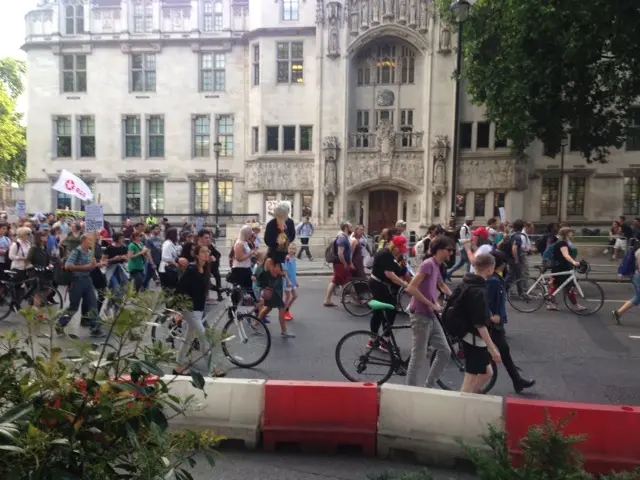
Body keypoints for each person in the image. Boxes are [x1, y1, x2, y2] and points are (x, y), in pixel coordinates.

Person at [405, 235, 455, 388]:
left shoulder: (437, 265)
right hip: (420, 314)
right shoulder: (428, 264)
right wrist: (431, 304)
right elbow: (411, 288)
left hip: (431, 315)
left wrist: (456, 299)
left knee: (445, 351)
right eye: (449, 250)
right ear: (439, 250)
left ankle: (429, 386)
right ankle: (410, 389)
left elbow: (441, 284)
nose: (451, 253)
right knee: (418, 355)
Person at [486, 251, 536, 393]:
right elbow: (483, 301)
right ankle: (517, 381)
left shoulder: (496, 278)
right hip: (492, 325)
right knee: (502, 351)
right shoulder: (492, 281)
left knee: (504, 352)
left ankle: (517, 381)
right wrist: (491, 316)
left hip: (497, 324)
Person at [173, 245, 224, 376]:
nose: (206, 254)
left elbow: (206, 285)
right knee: (204, 337)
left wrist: (219, 289)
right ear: (196, 255)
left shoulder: (205, 269)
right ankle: (212, 369)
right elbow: (180, 289)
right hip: (189, 308)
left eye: (207, 251)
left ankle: (178, 366)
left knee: (188, 338)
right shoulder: (191, 269)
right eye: (203, 251)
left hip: (198, 309)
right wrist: (178, 311)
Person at [457, 253, 502, 394]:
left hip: (466, 334)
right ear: (490, 269)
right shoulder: (479, 291)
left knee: (487, 373)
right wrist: (493, 349)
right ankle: (462, 405)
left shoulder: (467, 282)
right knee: (471, 378)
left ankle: (470, 399)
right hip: (474, 339)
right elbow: (480, 324)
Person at [57, 235, 105, 338]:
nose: (92, 242)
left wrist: (97, 265)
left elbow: (90, 267)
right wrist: (85, 267)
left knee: (93, 304)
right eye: (90, 240)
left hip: (87, 280)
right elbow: (68, 265)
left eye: (93, 240)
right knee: (74, 306)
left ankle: (95, 328)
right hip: (76, 281)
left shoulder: (90, 253)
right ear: (83, 241)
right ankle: (60, 324)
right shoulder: (77, 251)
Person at [367, 236, 410, 352]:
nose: (401, 251)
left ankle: (373, 340)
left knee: (378, 313)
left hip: (379, 284)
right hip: (378, 285)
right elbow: (390, 274)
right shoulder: (385, 254)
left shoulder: (390, 255)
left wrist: (403, 268)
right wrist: (405, 285)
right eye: (399, 248)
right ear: (394, 246)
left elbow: (397, 269)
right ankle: (385, 341)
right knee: (391, 310)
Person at [547, 227, 585, 312]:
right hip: (561, 268)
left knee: (556, 285)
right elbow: (566, 255)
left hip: (558, 267)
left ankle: (550, 304)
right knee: (569, 287)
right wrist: (574, 262)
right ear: (567, 234)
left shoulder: (562, 242)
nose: (572, 234)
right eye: (571, 232)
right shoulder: (563, 243)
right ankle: (575, 306)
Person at [257, 257, 295, 338]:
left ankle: (255, 324)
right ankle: (284, 331)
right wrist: (282, 273)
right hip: (273, 290)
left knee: (268, 308)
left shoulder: (275, 260)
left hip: (275, 289)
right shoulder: (271, 260)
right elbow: (275, 273)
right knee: (281, 307)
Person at [324, 221, 354, 307]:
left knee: (335, 281)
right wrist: (345, 263)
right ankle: (356, 299)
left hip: (340, 263)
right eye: (350, 227)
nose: (352, 229)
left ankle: (327, 300)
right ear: (346, 228)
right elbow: (340, 253)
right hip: (340, 264)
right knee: (347, 281)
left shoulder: (344, 237)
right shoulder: (342, 238)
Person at [612, 241, 640, 324]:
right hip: (638, 278)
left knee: (637, 298)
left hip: (636, 277)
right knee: (637, 298)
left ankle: (618, 313)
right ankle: (618, 313)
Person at [228, 225, 255, 307]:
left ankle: (253, 310)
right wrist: (250, 253)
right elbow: (239, 258)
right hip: (240, 270)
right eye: (250, 234)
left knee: (248, 291)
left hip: (245, 269)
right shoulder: (239, 243)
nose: (251, 236)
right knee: (238, 292)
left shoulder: (245, 242)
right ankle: (233, 310)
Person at [25, 230, 52, 307]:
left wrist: (49, 264)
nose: (46, 237)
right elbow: (28, 259)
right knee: (38, 291)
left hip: (44, 271)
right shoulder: (34, 248)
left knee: (48, 290)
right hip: (35, 271)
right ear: (38, 237)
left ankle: (34, 303)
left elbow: (47, 258)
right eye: (43, 236)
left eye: (46, 235)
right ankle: (35, 309)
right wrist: (30, 264)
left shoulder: (44, 246)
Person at [104, 232, 129, 313]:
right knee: (115, 288)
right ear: (116, 238)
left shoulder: (124, 247)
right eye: (121, 238)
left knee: (123, 289)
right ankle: (109, 307)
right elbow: (104, 260)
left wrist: (125, 258)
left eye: (123, 238)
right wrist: (113, 259)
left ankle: (115, 307)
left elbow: (127, 258)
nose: (123, 239)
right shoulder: (109, 248)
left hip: (121, 269)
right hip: (112, 270)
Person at [144, 223, 163, 289]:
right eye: (156, 229)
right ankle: (143, 290)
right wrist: (152, 263)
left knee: (162, 277)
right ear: (152, 230)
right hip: (152, 262)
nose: (158, 230)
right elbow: (148, 252)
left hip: (160, 262)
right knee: (147, 277)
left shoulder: (160, 239)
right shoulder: (149, 240)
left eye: (159, 229)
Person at [282, 244, 299, 321]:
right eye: (290, 248)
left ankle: (286, 309)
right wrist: (288, 281)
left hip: (292, 281)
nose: (292, 250)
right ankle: (283, 313)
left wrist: (296, 281)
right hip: (287, 281)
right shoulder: (287, 259)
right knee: (288, 297)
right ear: (287, 249)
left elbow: (293, 272)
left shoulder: (293, 259)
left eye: (293, 249)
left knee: (295, 296)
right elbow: (285, 271)